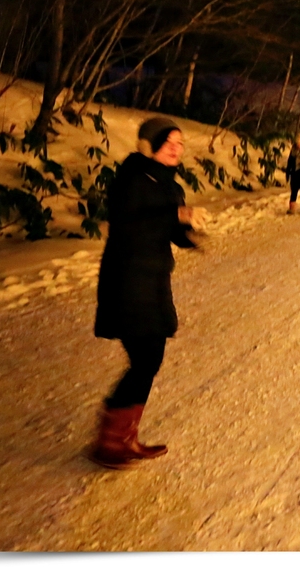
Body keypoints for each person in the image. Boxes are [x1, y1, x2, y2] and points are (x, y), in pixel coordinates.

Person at [89, 117, 207, 469]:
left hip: (152, 280)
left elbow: (167, 227)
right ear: (148, 145)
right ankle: (111, 440)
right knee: (146, 358)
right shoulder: (133, 178)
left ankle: (123, 437)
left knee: (149, 357)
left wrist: (189, 230)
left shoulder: (167, 183)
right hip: (127, 279)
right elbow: (128, 224)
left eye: (180, 143)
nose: (176, 148)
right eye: (168, 141)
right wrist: (177, 213)